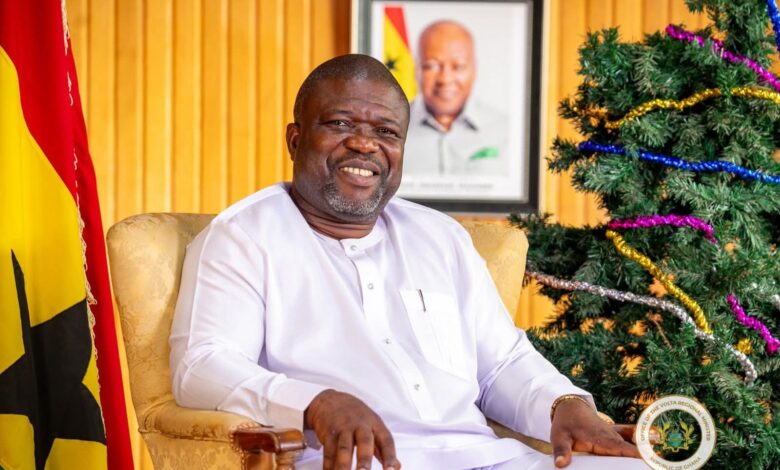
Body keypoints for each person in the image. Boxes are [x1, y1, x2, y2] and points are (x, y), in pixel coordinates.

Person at [170, 54, 646, 470]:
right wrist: (315, 403)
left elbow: (501, 365)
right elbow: (202, 367)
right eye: (340, 124)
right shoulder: (244, 237)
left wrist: (564, 404)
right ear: (295, 140)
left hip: (484, 458)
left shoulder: (440, 237)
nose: (364, 144)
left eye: (385, 131)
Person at [403, 21, 509, 177]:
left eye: (458, 66)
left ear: (474, 69)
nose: (445, 79)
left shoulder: (506, 130)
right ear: (416, 69)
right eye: (432, 65)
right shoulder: (391, 129)